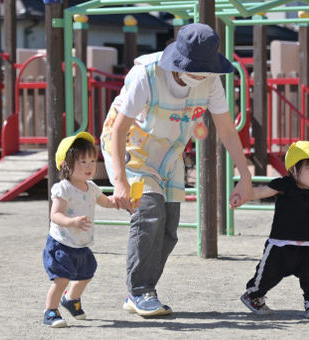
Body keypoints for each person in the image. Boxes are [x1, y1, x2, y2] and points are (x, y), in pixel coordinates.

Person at [100, 23, 253, 317]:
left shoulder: (210, 80)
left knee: (169, 227)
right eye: (195, 71)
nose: (201, 76)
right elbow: (119, 129)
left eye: (205, 71)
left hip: (170, 152)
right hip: (131, 147)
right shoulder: (146, 74)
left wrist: (245, 177)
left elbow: (227, 131)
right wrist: (119, 182)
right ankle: (139, 290)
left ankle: (146, 290)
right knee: (149, 210)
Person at [233, 141, 309, 319]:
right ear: (293, 169)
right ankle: (253, 296)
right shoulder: (285, 185)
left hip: (305, 248)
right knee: (267, 277)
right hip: (280, 247)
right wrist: (243, 196)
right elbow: (260, 192)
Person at [42, 132, 119, 327]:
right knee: (61, 279)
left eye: (92, 161)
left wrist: (121, 202)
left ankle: (71, 300)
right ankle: (50, 311)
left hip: (81, 244)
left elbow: (107, 202)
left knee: (86, 273)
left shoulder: (91, 187)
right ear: (66, 164)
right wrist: (71, 221)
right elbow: (55, 215)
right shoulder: (64, 188)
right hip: (61, 243)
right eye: (83, 161)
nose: (89, 166)